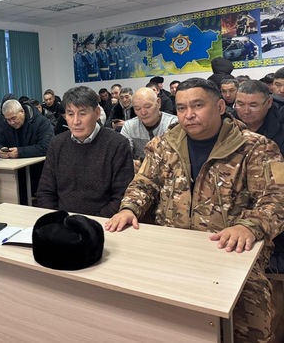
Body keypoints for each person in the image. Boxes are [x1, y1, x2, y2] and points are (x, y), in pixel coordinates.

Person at [105, 78, 284, 343]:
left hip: (230, 253)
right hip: (173, 250)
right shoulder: (164, 145)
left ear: (220, 107)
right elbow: (145, 182)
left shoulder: (255, 148)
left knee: (251, 327)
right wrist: (129, 207)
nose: (189, 114)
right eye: (181, 108)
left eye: (198, 105)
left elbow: (276, 199)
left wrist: (249, 226)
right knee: (149, 318)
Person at [37, 86, 134, 217]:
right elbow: (45, 192)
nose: (76, 121)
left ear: (97, 113)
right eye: (70, 114)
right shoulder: (56, 144)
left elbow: (121, 197)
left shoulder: (118, 144)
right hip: (63, 220)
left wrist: (92, 223)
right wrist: (58, 220)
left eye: (82, 114)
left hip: (102, 222)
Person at [120, 87, 177, 166]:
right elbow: (122, 156)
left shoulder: (174, 124)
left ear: (158, 103)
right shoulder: (129, 126)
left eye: (147, 106)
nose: (143, 112)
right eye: (137, 108)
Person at [233, 80, 284, 154]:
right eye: (240, 104)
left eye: (253, 105)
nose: (246, 111)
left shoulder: (281, 122)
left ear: (269, 103)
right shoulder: (228, 123)